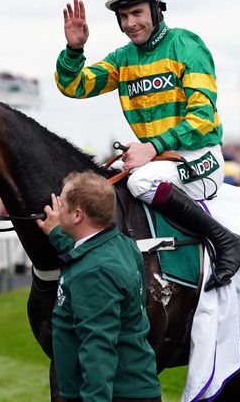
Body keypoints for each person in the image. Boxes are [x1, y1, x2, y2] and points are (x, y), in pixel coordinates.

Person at [55, 0, 240, 290]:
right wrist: (74, 50)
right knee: (97, 181)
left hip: (200, 157)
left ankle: (227, 241)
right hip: (158, 158)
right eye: (123, 16)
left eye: (137, 13)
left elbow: (202, 117)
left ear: (157, 10)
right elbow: (74, 86)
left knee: (142, 180)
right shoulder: (123, 59)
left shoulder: (185, 45)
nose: (130, 23)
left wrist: (153, 147)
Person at [36, 171, 161, 402]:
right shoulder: (122, 244)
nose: (56, 210)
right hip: (131, 388)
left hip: (112, 395)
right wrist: (55, 233)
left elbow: (98, 350)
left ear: (77, 215)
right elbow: (86, 252)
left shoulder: (95, 273)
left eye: (61, 204)